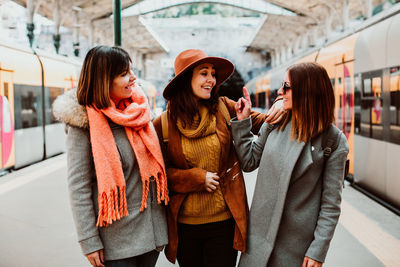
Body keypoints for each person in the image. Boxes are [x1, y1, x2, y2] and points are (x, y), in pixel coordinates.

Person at [152, 49, 284, 267]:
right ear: (186, 79)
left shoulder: (225, 108)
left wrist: (280, 102)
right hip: (185, 227)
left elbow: (267, 121)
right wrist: (196, 178)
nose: (211, 80)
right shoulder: (164, 124)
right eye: (204, 73)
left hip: (224, 223)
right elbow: (160, 175)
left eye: (213, 74)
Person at [53, 45, 169, 267]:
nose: (133, 78)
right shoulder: (84, 124)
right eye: (124, 73)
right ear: (104, 79)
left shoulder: (138, 113)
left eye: (131, 71)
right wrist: (88, 240)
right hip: (116, 245)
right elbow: (79, 186)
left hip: (152, 236)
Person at [231, 62, 349, 267]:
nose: (279, 92)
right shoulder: (277, 121)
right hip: (258, 240)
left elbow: (330, 204)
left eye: (286, 87)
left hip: (297, 248)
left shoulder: (333, 141)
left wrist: (317, 250)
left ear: (306, 91)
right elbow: (249, 161)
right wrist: (242, 123)